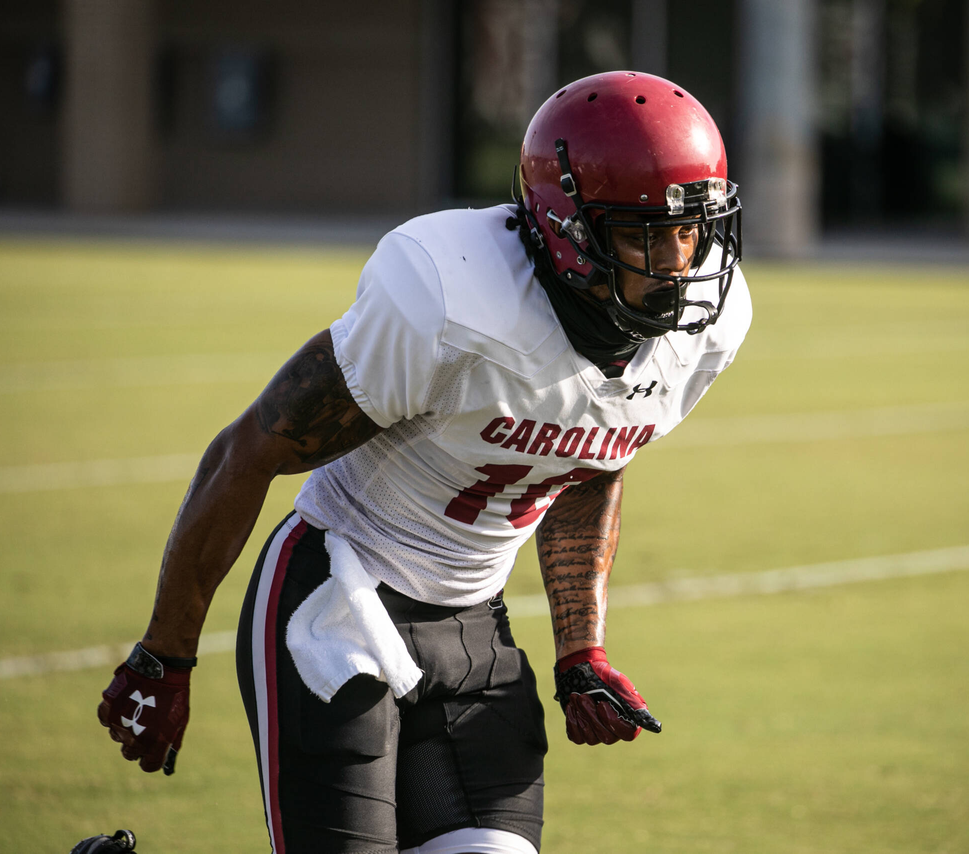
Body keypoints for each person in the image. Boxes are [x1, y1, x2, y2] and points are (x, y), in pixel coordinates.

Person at [96, 70, 749, 854]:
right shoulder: (452, 298)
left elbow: (596, 455)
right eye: (644, 234)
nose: (678, 265)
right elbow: (250, 450)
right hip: (338, 597)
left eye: (691, 231)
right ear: (566, 226)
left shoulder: (708, 327)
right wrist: (164, 653)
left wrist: (581, 650)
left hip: (476, 632)